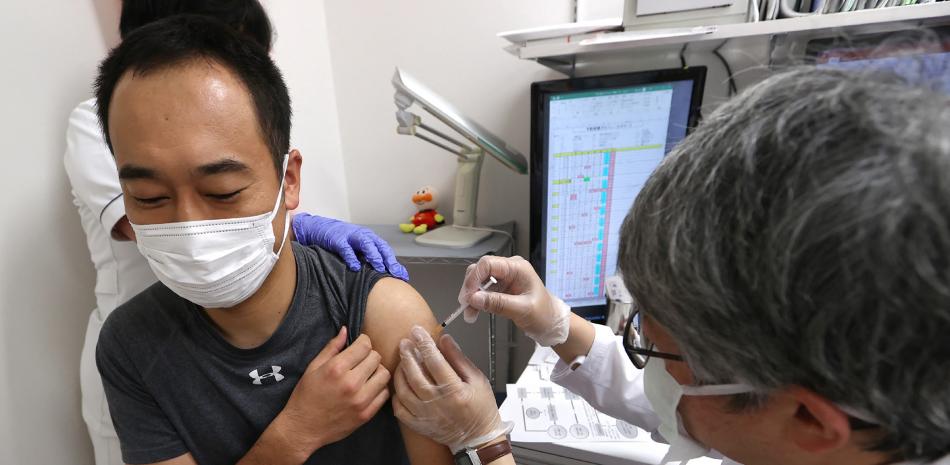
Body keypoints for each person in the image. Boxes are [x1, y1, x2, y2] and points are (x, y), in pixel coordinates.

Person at [392, 67, 950, 465]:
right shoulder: (852, 419)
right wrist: (557, 325)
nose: (648, 367)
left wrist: (485, 442)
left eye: (653, 349)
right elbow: (692, 409)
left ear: (809, 420)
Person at [92, 14, 450, 465]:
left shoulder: (385, 314)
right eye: (150, 197)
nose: (189, 227)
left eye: (223, 192)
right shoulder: (131, 343)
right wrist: (293, 436)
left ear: (291, 179)